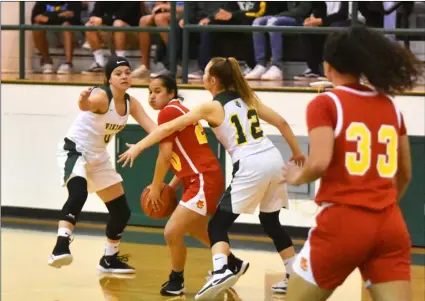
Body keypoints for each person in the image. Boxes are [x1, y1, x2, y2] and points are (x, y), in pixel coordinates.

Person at [118, 57, 306, 299]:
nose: (203, 77)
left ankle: (221, 270)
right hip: (273, 158)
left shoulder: (212, 107)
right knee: (271, 222)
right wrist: (298, 152)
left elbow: (165, 129)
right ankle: (292, 275)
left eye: (205, 73)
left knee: (217, 226)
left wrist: (138, 148)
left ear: (213, 80)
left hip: (250, 163)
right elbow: (280, 122)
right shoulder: (248, 98)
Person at [282, 25, 422, 301]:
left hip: (342, 223)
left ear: (327, 65)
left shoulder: (326, 103)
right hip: (389, 223)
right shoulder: (391, 106)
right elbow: (404, 173)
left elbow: (320, 162)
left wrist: (296, 176)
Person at [140, 74, 248, 296]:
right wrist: (168, 187)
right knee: (196, 229)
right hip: (202, 177)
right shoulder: (180, 111)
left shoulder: (168, 112)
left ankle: (176, 280)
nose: (152, 96)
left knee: (171, 232)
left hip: (202, 179)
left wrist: (155, 186)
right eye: (149, 91)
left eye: (157, 91)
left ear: (171, 93)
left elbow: (165, 156)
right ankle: (232, 262)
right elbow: (184, 161)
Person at [48, 56, 157, 274]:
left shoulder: (130, 103)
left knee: (121, 212)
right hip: (75, 150)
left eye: (127, 72)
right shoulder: (101, 96)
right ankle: (60, 247)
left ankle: (109, 259)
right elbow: (85, 105)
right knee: (78, 193)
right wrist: (82, 100)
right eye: (118, 73)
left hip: (99, 156)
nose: (125, 76)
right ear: (109, 79)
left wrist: (173, 130)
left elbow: (154, 129)